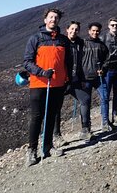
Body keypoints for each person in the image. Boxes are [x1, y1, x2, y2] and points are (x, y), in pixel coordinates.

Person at [22, 7, 72, 166]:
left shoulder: (63, 40)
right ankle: (32, 150)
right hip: (39, 84)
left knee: (51, 116)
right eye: (50, 17)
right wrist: (42, 72)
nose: (53, 20)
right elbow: (27, 62)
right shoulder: (35, 39)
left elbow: (68, 62)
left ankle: (48, 146)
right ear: (45, 20)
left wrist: (67, 78)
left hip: (57, 84)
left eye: (56, 18)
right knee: (36, 117)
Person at [71, 22, 108, 141]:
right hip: (85, 79)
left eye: (97, 31)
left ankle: (105, 122)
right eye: (93, 30)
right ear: (89, 31)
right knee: (85, 103)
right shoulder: (82, 43)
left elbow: (107, 59)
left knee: (105, 97)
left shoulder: (102, 45)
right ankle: (85, 128)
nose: (95, 33)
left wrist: (103, 69)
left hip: (98, 78)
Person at [52, 20, 83, 148]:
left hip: (75, 79)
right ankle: (56, 135)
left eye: (76, 29)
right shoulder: (62, 42)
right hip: (62, 80)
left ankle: (85, 128)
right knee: (56, 108)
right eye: (72, 29)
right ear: (67, 29)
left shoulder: (81, 43)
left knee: (84, 100)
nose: (74, 31)